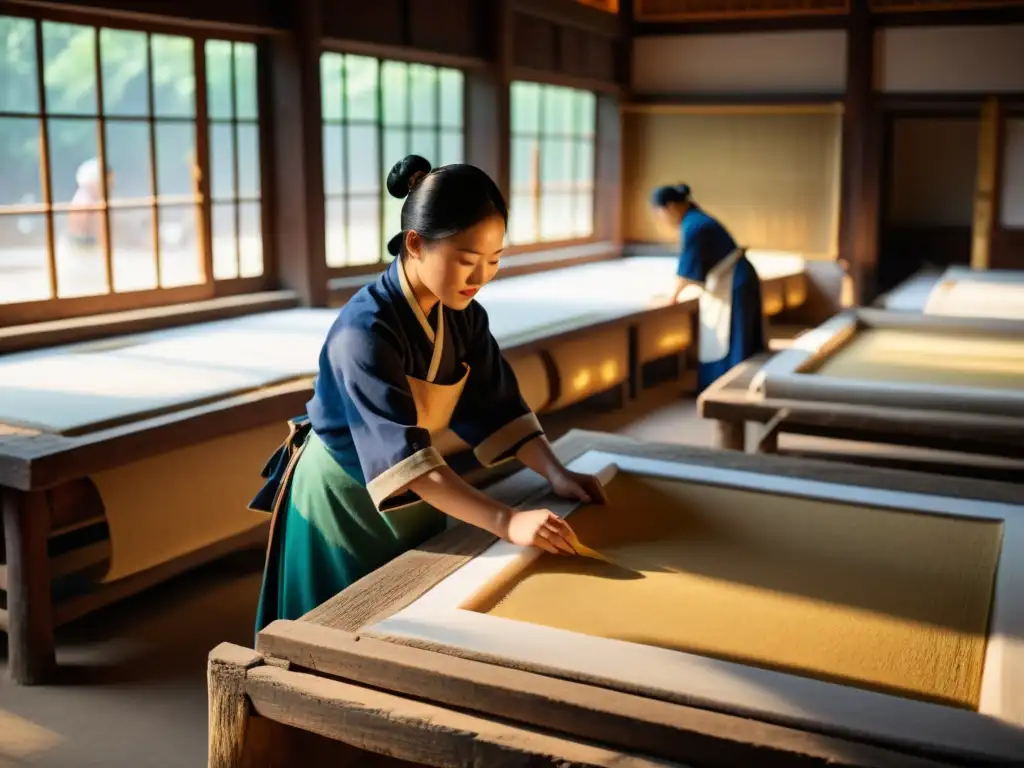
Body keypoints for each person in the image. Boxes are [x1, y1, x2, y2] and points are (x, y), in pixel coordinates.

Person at [252, 155, 608, 633]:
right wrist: (506, 521)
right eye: (466, 261)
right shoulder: (363, 330)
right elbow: (400, 457)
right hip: (343, 495)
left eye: (494, 261)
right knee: (339, 628)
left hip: (415, 479)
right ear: (415, 244)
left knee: (413, 614)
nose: (479, 278)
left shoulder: (463, 314)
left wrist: (556, 472)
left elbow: (496, 402)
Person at [650, 183, 767, 394]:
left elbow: (686, 272)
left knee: (733, 338)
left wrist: (673, 297)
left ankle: (729, 390)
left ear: (670, 207)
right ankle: (718, 387)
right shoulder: (694, 220)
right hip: (733, 278)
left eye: (659, 214)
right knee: (728, 338)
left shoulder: (695, 225)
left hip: (734, 282)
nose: (661, 220)